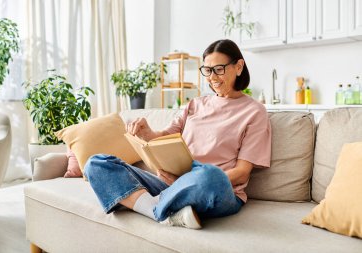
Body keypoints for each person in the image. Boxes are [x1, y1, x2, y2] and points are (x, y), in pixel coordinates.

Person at [84, 39, 271, 229]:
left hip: (215, 189)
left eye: (219, 69)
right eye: (207, 70)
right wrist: (146, 133)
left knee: (209, 174)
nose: (212, 77)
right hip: (172, 185)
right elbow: (165, 139)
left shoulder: (254, 112)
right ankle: (162, 212)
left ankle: (150, 206)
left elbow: (241, 173)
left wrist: (186, 180)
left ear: (239, 66)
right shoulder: (194, 105)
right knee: (96, 164)